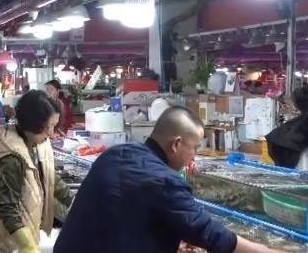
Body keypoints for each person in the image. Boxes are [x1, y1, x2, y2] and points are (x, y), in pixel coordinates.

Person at [54, 106, 282, 253]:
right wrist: (266, 251)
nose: (194, 156)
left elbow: (124, 212)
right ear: (176, 144)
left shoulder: (115, 154)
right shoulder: (165, 181)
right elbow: (209, 233)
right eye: (194, 148)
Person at [0, 90, 74, 253]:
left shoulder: (36, 142)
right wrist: (28, 246)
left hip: (22, 231)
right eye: (47, 127)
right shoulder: (11, 157)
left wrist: (76, 203)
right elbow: (6, 208)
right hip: (2, 239)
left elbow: (50, 177)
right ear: (32, 124)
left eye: (54, 126)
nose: (51, 133)